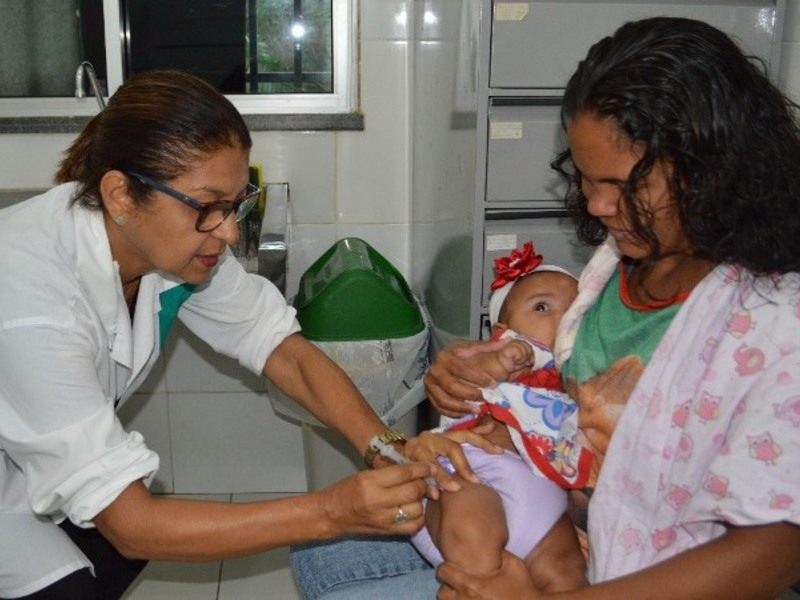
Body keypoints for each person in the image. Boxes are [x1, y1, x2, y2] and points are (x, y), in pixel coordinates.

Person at [291, 16, 800, 599]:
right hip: (584, 537)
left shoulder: (775, 321)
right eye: (585, 179)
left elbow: (773, 550)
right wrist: (474, 395)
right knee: (317, 552)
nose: (602, 205)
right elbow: (583, 410)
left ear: (714, 169)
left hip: (652, 579)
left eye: (626, 185)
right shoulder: (620, 265)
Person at [0, 70, 485, 599]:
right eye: (208, 206)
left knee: (112, 552)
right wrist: (332, 511)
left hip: (26, 462)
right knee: (95, 564)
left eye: (235, 204)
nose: (228, 231)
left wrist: (387, 447)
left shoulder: (165, 244)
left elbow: (284, 351)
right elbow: (136, 527)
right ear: (120, 193)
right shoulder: (34, 303)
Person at [409, 241, 589, 591]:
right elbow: (468, 374)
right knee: (471, 529)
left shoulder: (585, 369)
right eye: (541, 307)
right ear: (502, 329)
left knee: (565, 570)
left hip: (545, 505)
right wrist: (502, 359)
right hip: (477, 472)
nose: (562, 320)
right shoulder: (501, 355)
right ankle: (473, 584)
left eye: (576, 311)